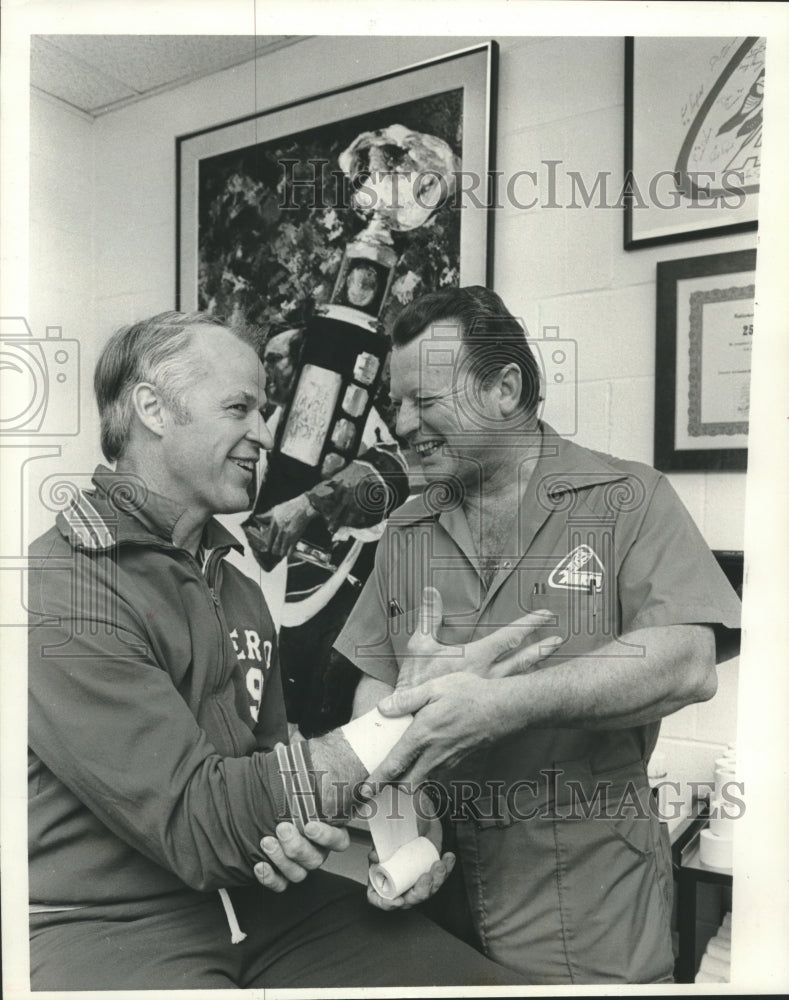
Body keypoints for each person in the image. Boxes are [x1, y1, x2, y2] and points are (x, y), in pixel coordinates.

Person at [26, 310, 532, 990]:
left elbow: (269, 776)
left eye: (262, 410)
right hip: (109, 924)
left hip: (262, 904)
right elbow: (197, 823)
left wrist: (356, 832)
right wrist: (406, 716)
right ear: (152, 408)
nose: (263, 434)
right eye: (239, 408)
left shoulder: (237, 589)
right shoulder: (59, 585)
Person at [333, 286, 742, 984]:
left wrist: (501, 705)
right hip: (436, 892)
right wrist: (399, 830)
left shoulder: (628, 499)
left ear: (503, 387)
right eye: (393, 404)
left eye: (425, 402)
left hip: (589, 906)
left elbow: (686, 660)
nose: (401, 423)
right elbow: (377, 693)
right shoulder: (403, 531)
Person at [245, 325, 409, 736]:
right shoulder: (271, 422)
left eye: (274, 359)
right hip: (272, 583)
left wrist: (309, 504)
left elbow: (392, 473)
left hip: (337, 589)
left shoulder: (354, 413)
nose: (266, 370)